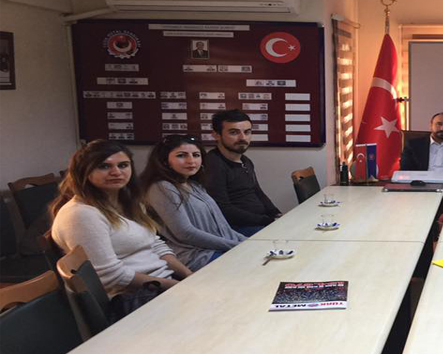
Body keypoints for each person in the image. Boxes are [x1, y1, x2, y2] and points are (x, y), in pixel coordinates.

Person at [50, 140, 191, 319]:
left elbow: (155, 244)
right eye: (104, 166)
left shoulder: (127, 201)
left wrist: (189, 276)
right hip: (131, 300)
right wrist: (174, 286)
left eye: (123, 165)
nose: (116, 172)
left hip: (160, 285)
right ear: (84, 171)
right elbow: (111, 276)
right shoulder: (81, 214)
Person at [141, 134, 246, 271]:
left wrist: (248, 241)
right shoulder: (162, 187)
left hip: (219, 248)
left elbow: (222, 226)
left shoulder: (194, 185)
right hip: (196, 255)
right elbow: (185, 233)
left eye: (196, 155)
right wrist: (236, 245)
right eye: (181, 155)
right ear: (165, 161)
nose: (191, 161)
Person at [204, 109, 281, 236]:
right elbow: (222, 209)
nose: (242, 138)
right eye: (234, 132)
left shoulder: (245, 160)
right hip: (238, 228)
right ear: (216, 135)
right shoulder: (213, 163)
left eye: (247, 132)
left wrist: (276, 214)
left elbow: (257, 192)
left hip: (259, 222)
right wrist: (268, 221)